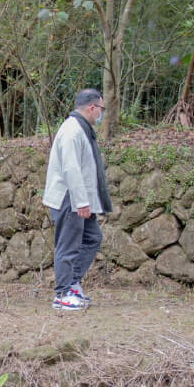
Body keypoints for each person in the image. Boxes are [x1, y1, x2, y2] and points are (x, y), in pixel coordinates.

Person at [43, 89, 112, 311]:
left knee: (92, 237)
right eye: (101, 108)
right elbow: (71, 169)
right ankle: (62, 293)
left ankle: (72, 282)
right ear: (92, 108)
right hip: (69, 197)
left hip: (79, 197)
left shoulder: (82, 130)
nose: (101, 113)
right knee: (68, 244)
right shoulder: (73, 131)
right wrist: (81, 201)